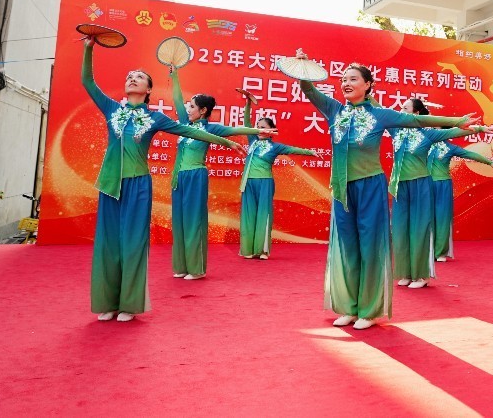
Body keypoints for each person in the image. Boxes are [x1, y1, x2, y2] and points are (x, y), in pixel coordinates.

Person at [297, 52, 478, 330]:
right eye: (343, 79)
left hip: (370, 186)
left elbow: (417, 121)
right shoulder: (335, 110)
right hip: (341, 189)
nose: (346, 83)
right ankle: (348, 307)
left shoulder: (379, 114)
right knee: (346, 246)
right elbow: (309, 90)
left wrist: (456, 121)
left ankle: (368, 310)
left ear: (368, 84)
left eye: (353, 79)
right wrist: (302, 67)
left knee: (369, 246)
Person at [82, 39, 244, 322]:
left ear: (148, 90)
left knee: (133, 242)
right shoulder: (112, 109)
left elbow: (190, 131)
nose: (133, 78)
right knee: (108, 243)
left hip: (137, 186)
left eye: (139, 77)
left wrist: (226, 142)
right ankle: (108, 302)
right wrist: (88, 49)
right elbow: (88, 81)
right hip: (110, 185)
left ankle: (129, 304)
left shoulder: (154, 117)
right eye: (129, 76)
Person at [169, 65, 275, 279]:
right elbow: (177, 99)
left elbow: (234, 130)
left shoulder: (210, 128)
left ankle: (196, 269)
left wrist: (258, 130)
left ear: (203, 111)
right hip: (178, 178)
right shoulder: (184, 124)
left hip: (196, 176)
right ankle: (182, 266)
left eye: (192, 106)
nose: (188, 109)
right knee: (179, 222)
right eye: (188, 106)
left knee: (193, 221)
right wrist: (174, 74)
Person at [390, 98, 492, 289]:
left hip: (421, 184)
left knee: (420, 228)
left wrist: (479, 129)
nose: (401, 110)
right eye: (401, 107)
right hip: (399, 186)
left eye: (405, 108)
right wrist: (367, 91)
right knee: (400, 229)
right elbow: (377, 110)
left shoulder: (429, 134)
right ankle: (406, 272)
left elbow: (455, 131)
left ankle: (421, 275)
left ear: (416, 113)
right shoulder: (396, 130)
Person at [238, 97, 320, 260]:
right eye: (258, 127)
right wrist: (248, 103)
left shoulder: (275, 147)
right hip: (248, 183)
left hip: (265, 183)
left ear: (272, 130)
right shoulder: (252, 140)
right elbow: (246, 122)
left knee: (263, 215)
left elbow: (293, 149)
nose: (259, 129)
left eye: (263, 127)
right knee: (248, 215)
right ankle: (248, 250)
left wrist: (310, 152)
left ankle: (262, 250)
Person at [426, 137, 493, 262]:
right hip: (425, 184)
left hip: (443, 185)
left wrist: (489, 162)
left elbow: (469, 154)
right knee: (426, 217)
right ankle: (427, 251)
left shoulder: (450, 147)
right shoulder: (424, 144)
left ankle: (440, 252)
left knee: (443, 218)